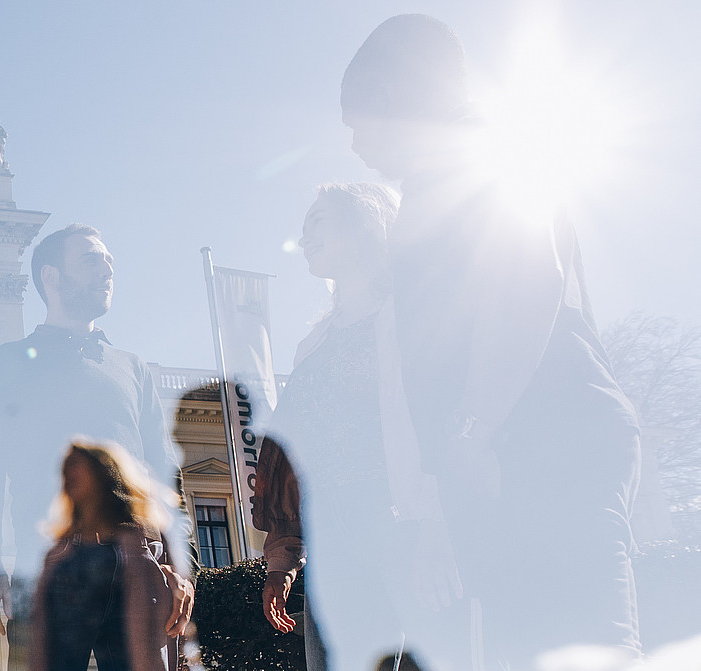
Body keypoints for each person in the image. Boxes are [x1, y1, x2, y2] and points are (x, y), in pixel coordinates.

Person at [343, 14, 641, 664]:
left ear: (393, 96)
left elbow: (528, 277)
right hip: (507, 450)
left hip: (543, 440)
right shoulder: (442, 184)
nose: (357, 143)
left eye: (357, 120)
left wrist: (474, 428)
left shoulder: (490, 155)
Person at [254, 182, 461, 671]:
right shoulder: (312, 345)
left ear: (364, 224)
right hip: (333, 539)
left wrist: (436, 527)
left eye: (318, 222)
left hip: (401, 529)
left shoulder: (408, 317)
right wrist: (283, 560)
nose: (305, 238)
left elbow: (436, 421)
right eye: (302, 228)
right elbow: (291, 457)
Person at [0, 224, 188, 670]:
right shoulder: (10, 361)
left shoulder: (133, 368)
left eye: (109, 260)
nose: (107, 268)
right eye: (91, 259)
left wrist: (183, 567)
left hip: (139, 565)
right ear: (51, 277)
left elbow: (165, 475)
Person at [33, 440, 187, 671]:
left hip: (137, 553)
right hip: (101, 556)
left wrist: (182, 574)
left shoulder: (135, 554)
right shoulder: (59, 558)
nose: (70, 481)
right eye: (68, 475)